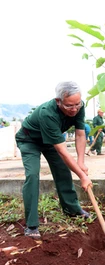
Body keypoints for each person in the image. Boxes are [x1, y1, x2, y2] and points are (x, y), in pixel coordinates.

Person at [15, 81, 92, 239]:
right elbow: (63, 152)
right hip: (30, 140)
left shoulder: (79, 106)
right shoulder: (47, 113)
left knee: (63, 171)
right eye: (70, 106)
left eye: (77, 104)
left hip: (49, 140)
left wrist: (81, 161)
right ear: (58, 101)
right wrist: (83, 176)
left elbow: (80, 134)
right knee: (33, 175)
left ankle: (72, 209)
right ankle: (31, 225)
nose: (74, 109)